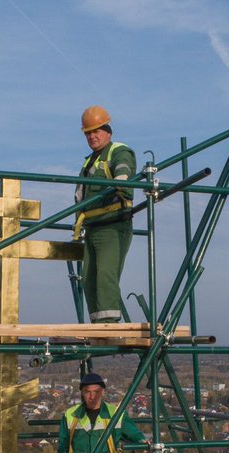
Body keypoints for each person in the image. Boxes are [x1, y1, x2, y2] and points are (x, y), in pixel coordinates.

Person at [74, 106, 136, 323]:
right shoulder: (89, 160)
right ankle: (98, 325)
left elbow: (123, 168)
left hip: (112, 225)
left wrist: (121, 178)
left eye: (97, 131)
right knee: (89, 280)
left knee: (105, 277)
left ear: (108, 131)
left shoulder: (118, 151)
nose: (92, 136)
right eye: (88, 133)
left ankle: (108, 326)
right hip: (92, 226)